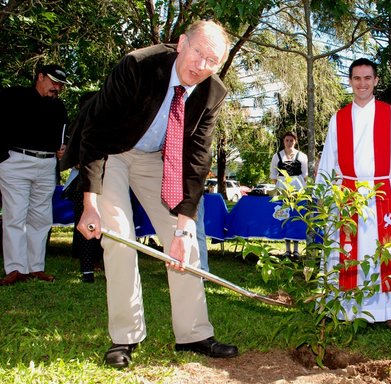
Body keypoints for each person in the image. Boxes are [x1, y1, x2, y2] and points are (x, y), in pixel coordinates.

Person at [60, 20, 238, 368]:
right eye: (198, 52)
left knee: (183, 239)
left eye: (211, 60)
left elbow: (198, 158)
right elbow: (95, 132)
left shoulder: (212, 92)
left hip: (156, 157)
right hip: (110, 149)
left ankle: (194, 333)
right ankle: (125, 337)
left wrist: (185, 226)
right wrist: (90, 204)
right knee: (119, 238)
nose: (201, 65)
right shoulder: (138, 66)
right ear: (182, 43)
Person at [316, 58, 391, 334]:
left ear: (376, 81)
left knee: (387, 253)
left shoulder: (390, 114)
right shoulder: (338, 118)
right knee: (346, 251)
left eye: (367, 78)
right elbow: (329, 157)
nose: (362, 83)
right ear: (350, 81)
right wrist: (325, 193)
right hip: (347, 192)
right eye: (357, 78)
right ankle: (341, 308)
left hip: (383, 191)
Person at [0, 64, 70, 286]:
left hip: (47, 165)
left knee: (41, 217)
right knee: (15, 215)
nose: (57, 87)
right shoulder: (13, 96)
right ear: (40, 77)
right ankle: (16, 269)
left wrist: (63, 149)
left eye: (60, 84)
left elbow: (63, 137)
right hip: (16, 162)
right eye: (53, 82)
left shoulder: (59, 107)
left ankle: (36, 267)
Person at [64, 91, 103, 283]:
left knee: (106, 225)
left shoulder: (108, 126)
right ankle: (87, 269)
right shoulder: (76, 129)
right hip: (82, 183)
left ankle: (99, 263)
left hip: (106, 182)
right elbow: (71, 158)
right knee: (86, 222)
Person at [270, 131, 308, 257]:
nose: (289, 142)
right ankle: (287, 249)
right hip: (283, 190)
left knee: (296, 217)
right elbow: (273, 175)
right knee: (285, 217)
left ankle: (296, 249)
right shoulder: (277, 156)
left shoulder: (302, 156)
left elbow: (305, 174)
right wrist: (280, 186)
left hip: (298, 190)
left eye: (291, 140)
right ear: (283, 141)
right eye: (287, 140)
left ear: (295, 141)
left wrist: (298, 186)